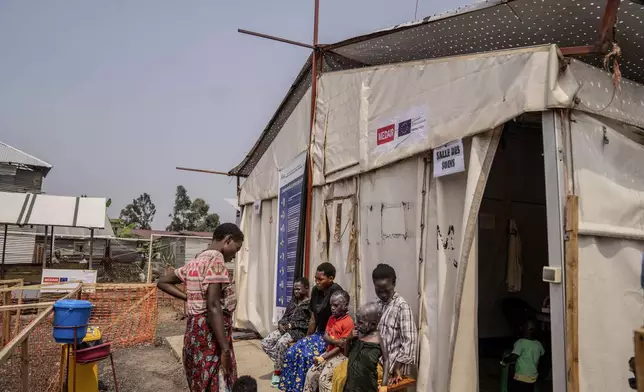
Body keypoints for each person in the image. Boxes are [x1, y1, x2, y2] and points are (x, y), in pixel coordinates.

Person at [157, 223, 244, 392]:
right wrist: (225, 350)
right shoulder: (216, 259)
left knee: (201, 379)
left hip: (194, 332)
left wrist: (189, 297)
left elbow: (162, 282)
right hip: (210, 334)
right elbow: (213, 306)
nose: (235, 255)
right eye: (237, 248)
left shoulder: (197, 261)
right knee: (218, 380)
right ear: (228, 240)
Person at [279, 262, 343, 392]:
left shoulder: (336, 292)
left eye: (320, 279)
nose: (317, 282)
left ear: (331, 279)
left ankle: (304, 388)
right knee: (292, 351)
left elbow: (339, 322)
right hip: (318, 333)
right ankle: (291, 388)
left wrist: (330, 340)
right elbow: (313, 317)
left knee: (306, 356)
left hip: (330, 336)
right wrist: (307, 338)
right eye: (315, 278)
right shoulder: (315, 291)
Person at [372, 263, 418, 385]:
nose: (383, 295)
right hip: (378, 363)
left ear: (394, 284)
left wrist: (396, 368)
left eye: (386, 290)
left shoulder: (401, 307)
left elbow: (410, 342)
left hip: (394, 367)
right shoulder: (377, 305)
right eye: (378, 291)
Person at [262, 277, 312, 387]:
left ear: (306, 288)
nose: (296, 291)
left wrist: (292, 325)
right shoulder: (293, 301)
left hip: (297, 332)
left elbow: (309, 324)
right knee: (265, 342)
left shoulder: (309, 304)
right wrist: (280, 323)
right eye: (295, 289)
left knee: (281, 343)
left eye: (298, 289)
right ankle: (284, 363)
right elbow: (285, 316)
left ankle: (277, 372)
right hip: (285, 328)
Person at [304, 290, 354, 392]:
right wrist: (336, 342)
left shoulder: (348, 322)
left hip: (340, 356)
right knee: (311, 373)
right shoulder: (332, 318)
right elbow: (325, 336)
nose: (332, 308)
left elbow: (341, 347)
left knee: (324, 379)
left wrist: (323, 357)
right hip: (329, 351)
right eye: (331, 305)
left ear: (345, 305)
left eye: (336, 305)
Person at [342, 302, 390, 392]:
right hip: (351, 385)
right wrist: (348, 339)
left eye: (360, 322)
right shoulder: (356, 334)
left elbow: (386, 360)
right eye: (356, 321)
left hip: (368, 385)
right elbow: (347, 355)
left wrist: (384, 384)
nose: (356, 324)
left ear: (373, 324)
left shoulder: (380, 339)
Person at [501, 320, 545, 392]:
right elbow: (542, 355)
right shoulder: (538, 344)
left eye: (523, 327)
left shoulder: (521, 342)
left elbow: (514, 356)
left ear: (528, 330)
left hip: (521, 377)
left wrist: (505, 360)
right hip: (533, 376)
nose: (521, 328)